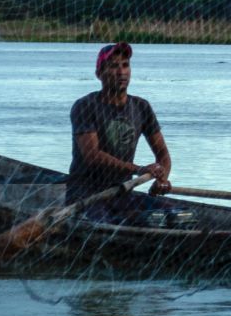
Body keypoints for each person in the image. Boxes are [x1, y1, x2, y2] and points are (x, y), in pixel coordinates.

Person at [69, 42, 173, 217]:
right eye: (113, 66)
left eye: (125, 65)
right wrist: (139, 170)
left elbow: (163, 154)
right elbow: (92, 156)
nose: (121, 71)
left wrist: (162, 179)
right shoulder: (85, 106)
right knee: (101, 226)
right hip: (85, 194)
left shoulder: (141, 106)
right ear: (99, 74)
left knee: (175, 214)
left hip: (121, 192)